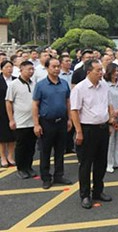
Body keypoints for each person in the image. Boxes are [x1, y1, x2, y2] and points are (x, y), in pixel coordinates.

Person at [70, 60, 115, 209]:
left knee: (101, 163)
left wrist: (110, 121)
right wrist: (79, 131)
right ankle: (85, 195)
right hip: (87, 129)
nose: (101, 72)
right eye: (97, 70)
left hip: (102, 129)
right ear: (88, 72)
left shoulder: (104, 86)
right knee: (85, 164)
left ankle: (98, 191)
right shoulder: (80, 88)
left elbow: (108, 105)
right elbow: (74, 110)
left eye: (101, 70)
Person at [32, 58, 73, 190]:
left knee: (60, 151)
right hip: (46, 123)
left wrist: (69, 119)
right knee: (45, 151)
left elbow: (68, 101)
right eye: (53, 67)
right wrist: (36, 124)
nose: (56, 69)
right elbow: (35, 105)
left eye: (58, 67)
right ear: (47, 68)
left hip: (61, 122)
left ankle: (59, 175)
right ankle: (46, 177)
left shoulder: (64, 84)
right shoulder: (41, 85)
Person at [6, 61, 36, 178]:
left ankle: (29, 166)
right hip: (20, 121)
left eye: (32, 69)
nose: (31, 72)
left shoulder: (34, 84)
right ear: (21, 69)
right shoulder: (14, 84)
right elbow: (8, 102)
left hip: (33, 121)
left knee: (31, 145)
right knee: (21, 146)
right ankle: (21, 168)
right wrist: (11, 119)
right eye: (28, 69)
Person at [0, 60, 16, 168]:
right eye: (7, 67)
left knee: (12, 135)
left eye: (11, 67)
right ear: (2, 69)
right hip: (1, 111)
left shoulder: (16, 80)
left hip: (15, 110)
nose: (9, 69)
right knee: (2, 136)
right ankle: (3, 157)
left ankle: (10, 156)